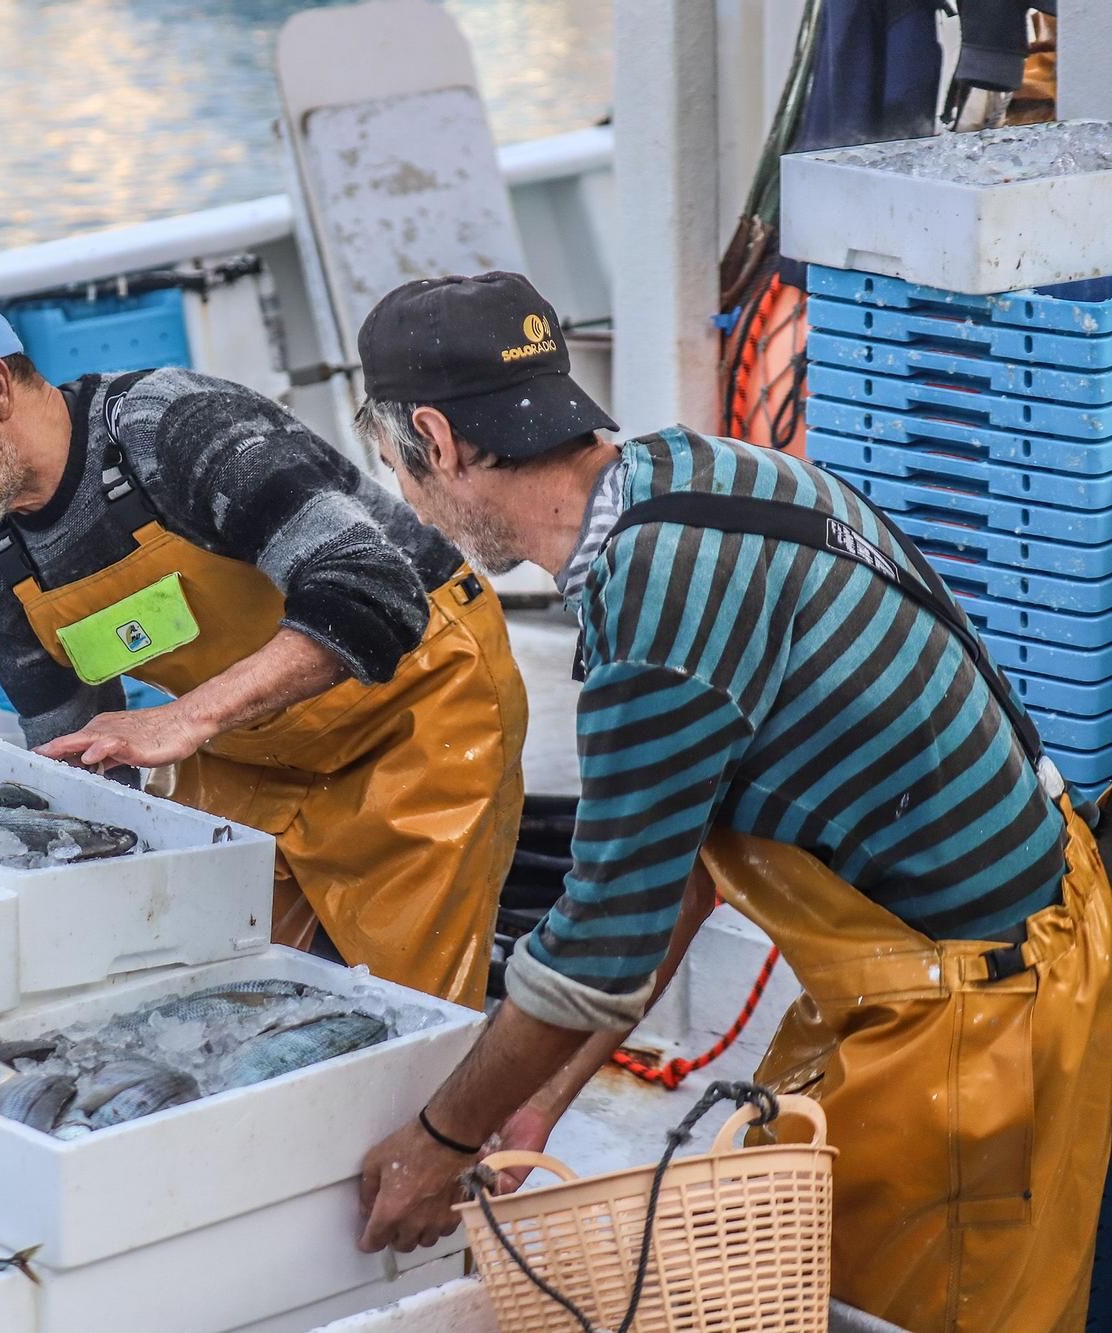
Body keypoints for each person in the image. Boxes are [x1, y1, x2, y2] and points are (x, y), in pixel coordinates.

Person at [347, 270, 1112, 1332]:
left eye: (395, 468)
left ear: (433, 437)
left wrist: (439, 1139)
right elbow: (680, 873)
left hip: (978, 1008)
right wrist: (530, 1107)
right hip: (994, 933)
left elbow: (597, 947)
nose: (407, 498)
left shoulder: (652, 621)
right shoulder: (687, 475)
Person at [0, 293, 531, 1005]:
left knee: (398, 1015)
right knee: (220, 987)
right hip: (249, 746)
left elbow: (377, 591)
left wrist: (184, 719)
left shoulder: (166, 430)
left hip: (417, 705)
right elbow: (81, 785)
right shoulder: (2, 580)